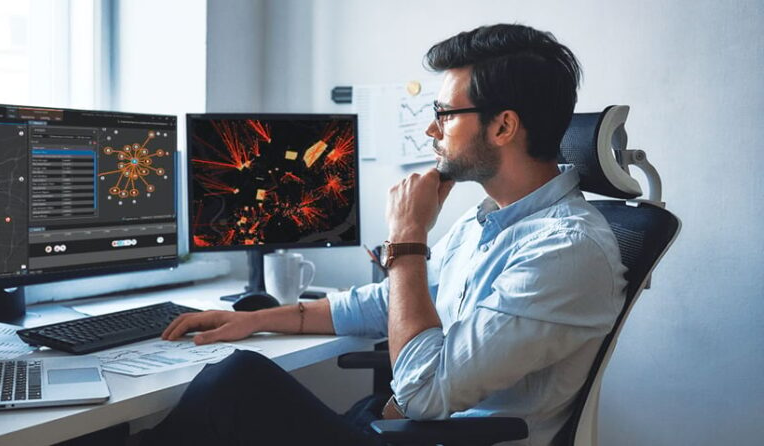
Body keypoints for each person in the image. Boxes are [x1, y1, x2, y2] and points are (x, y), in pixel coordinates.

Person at [141, 23, 626, 446]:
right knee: (233, 385)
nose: (431, 129)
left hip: (434, 437)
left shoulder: (566, 249)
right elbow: (390, 302)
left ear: (503, 126)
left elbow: (421, 392)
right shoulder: (490, 220)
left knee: (236, 386)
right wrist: (261, 319)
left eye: (445, 113)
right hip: (395, 426)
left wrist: (408, 238)